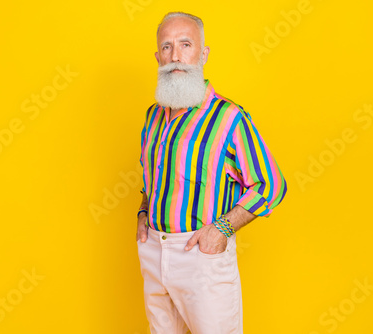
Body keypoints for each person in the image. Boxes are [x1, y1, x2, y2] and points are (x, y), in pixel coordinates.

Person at [136, 11, 287, 334]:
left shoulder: (230, 118)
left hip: (200, 258)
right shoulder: (152, 116)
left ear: (203, 54)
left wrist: (221, 230)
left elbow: (270, 185)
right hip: (154, 254)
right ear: (157, 56)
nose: (176, 56)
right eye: (167, 47)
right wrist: (143, 210)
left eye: (186, 44)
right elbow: (152, 174)